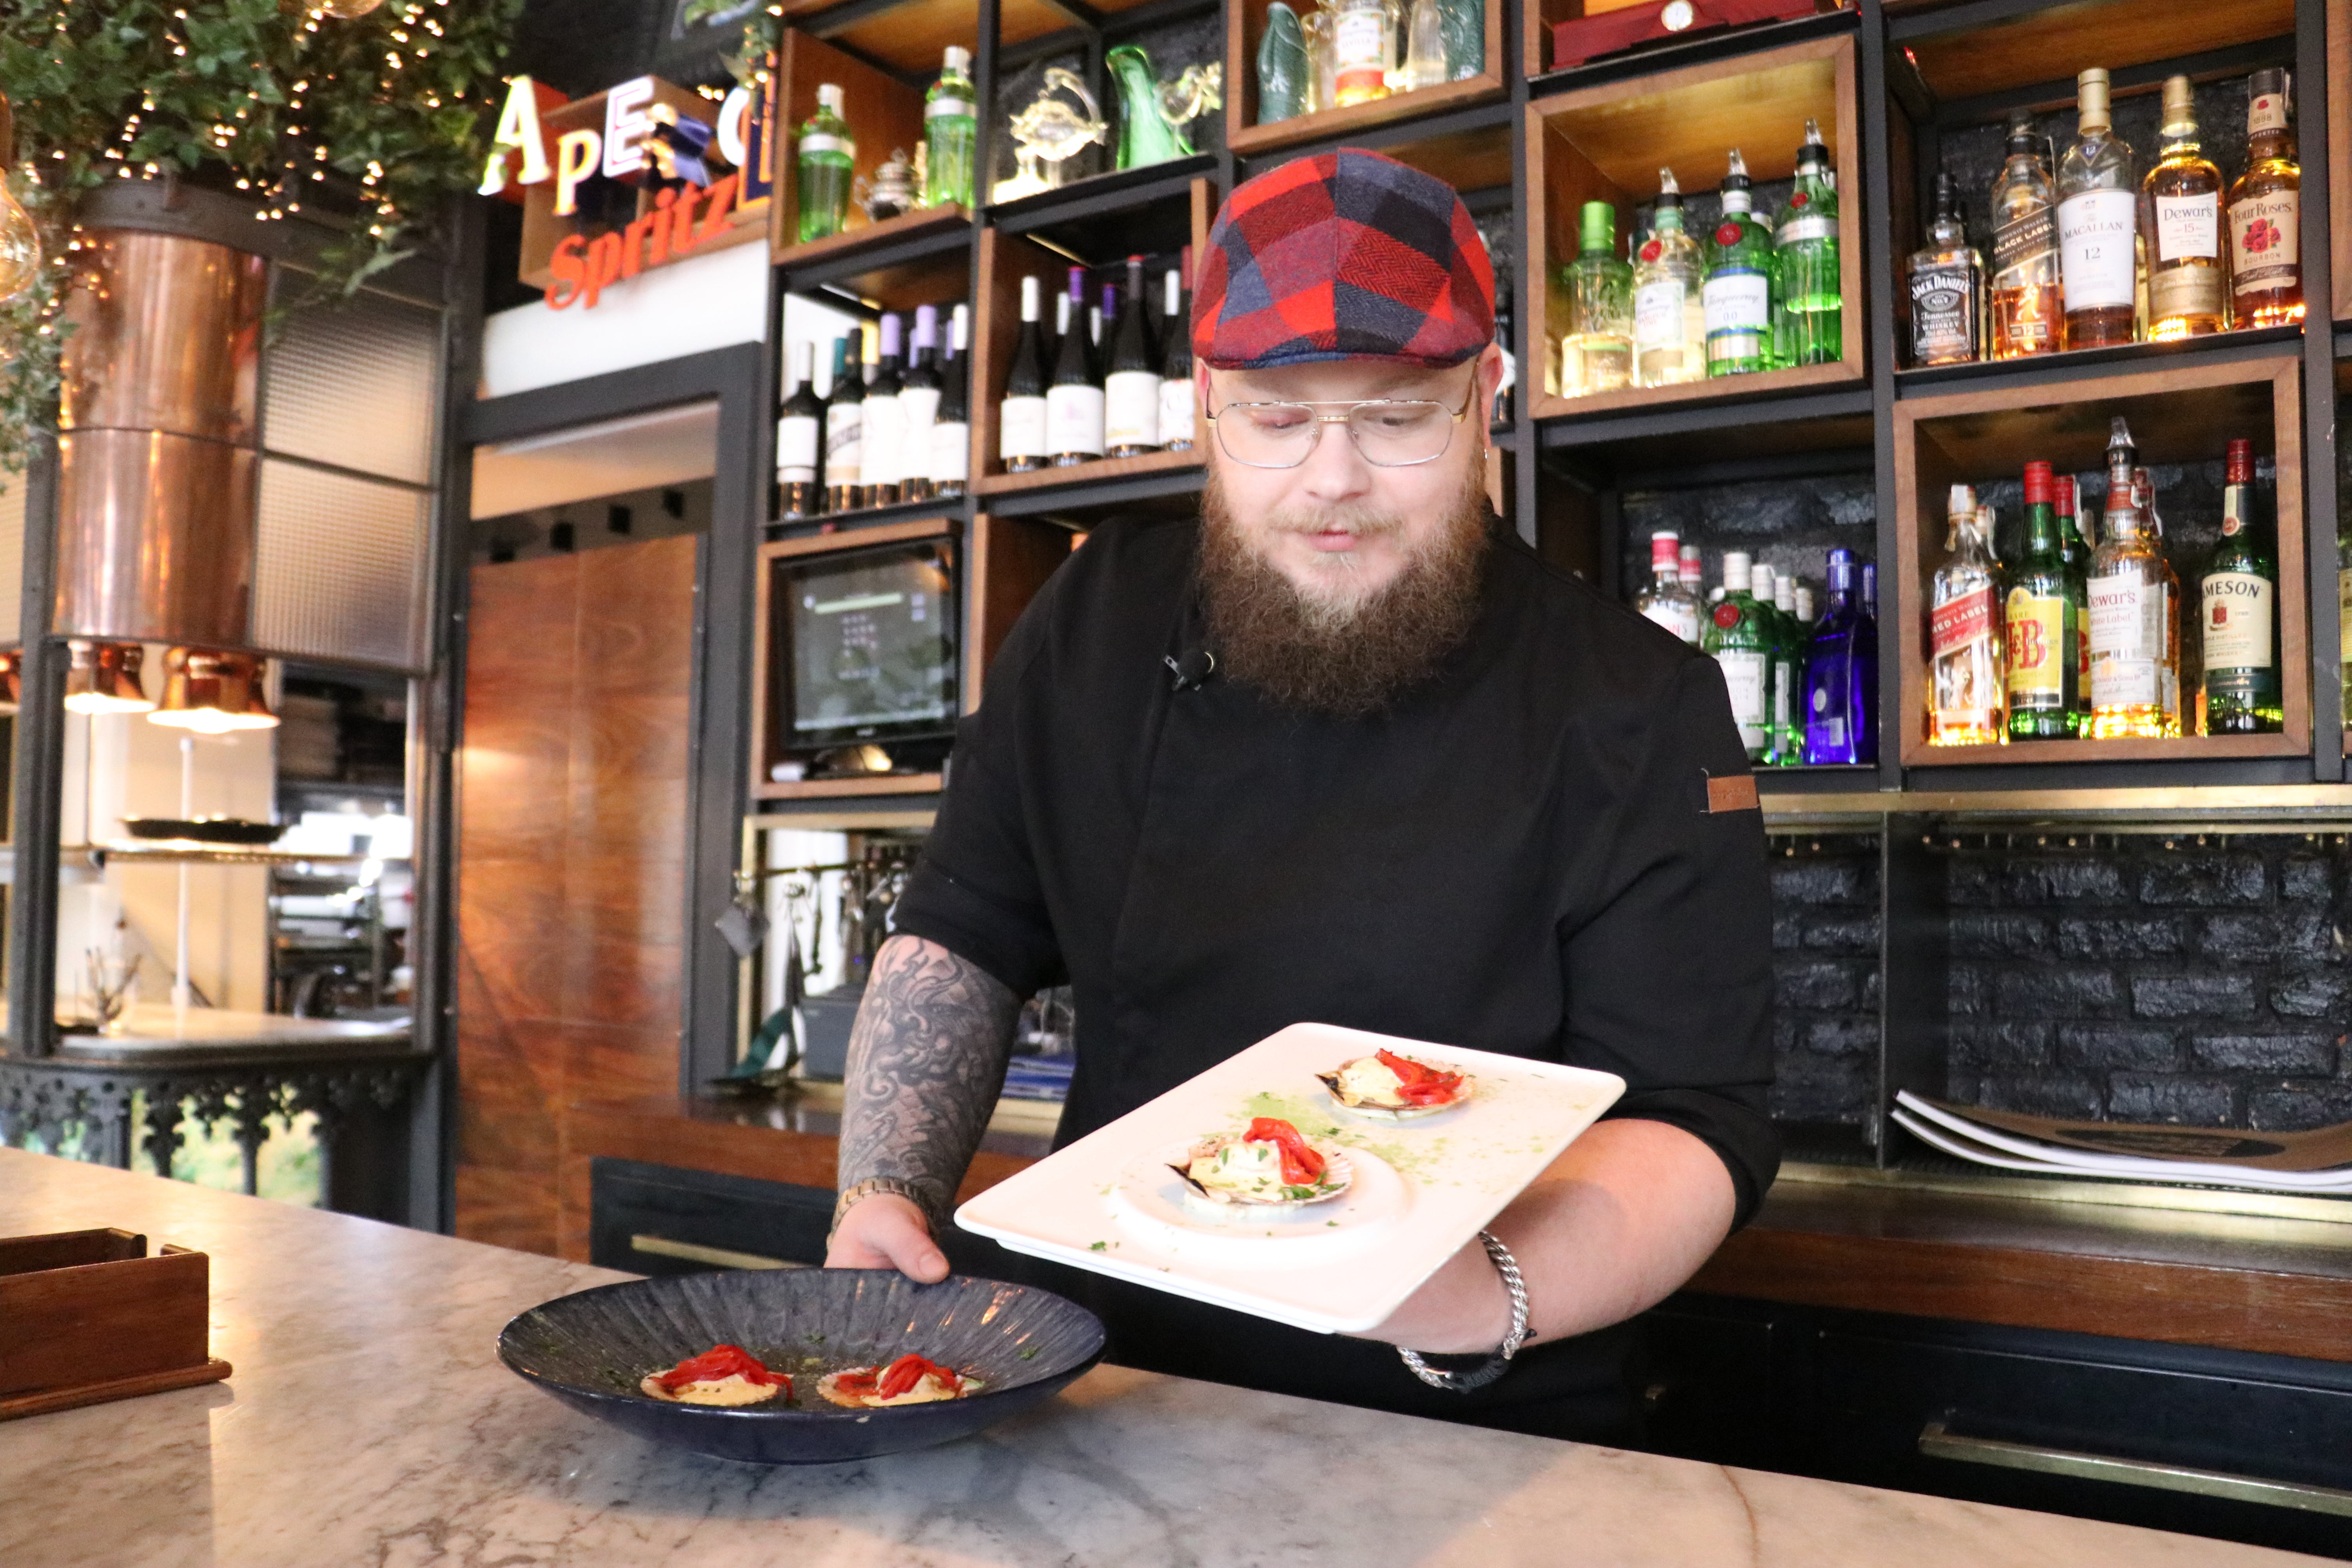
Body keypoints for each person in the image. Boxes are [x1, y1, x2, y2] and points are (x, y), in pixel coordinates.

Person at [825, 148, 1775, 1441]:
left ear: (1485, 397)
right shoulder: (1099, 615)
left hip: (1457, 1416)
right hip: (1099, 1375)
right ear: (1207, 400)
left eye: (1395, 416)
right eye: (1277, 417)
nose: (1333, 479)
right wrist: (886, 1186)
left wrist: (1469, 1293)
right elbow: (965, 929)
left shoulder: (1642, 703)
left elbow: (1693, 1120)